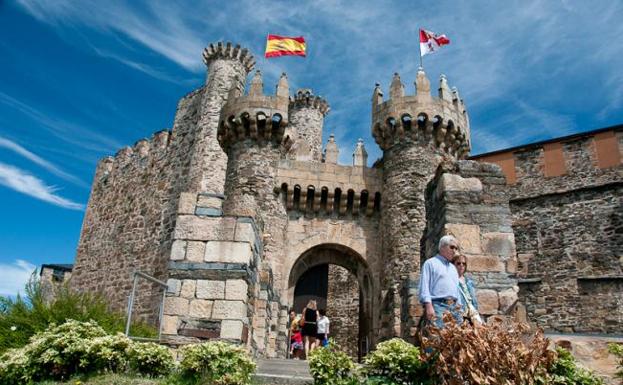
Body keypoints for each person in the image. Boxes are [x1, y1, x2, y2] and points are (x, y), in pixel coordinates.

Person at [419, 235, 462, 328]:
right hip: (438, 306)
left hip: (455, 308)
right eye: (452, 247)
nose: (454, 250)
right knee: (438, 338)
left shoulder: (453, 268)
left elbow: (457, 289)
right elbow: (424, 286)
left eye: (456, 248)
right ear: (442, 247)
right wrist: (429, 307)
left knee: (456, 340)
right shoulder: (430, 263)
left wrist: (460, 308)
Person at [453, 254, 482, 325]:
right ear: (453, 265)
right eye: (458, 263)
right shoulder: (452, 281)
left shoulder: (469, 281)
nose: (461, 265)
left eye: (464, 264)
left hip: (471, 313)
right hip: (460, 314)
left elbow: (473, 299)